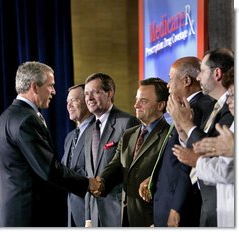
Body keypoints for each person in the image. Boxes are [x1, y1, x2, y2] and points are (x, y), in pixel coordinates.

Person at [0, 61, 99, 227]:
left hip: (16, 214)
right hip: (30, 216)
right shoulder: (26, 119)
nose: (53, 91)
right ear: (35, 87)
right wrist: (88, 183)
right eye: (50, 86)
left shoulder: (7, 116)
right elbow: (48, 169)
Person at [139, 56, 214, 227]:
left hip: (181, 208)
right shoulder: (183, 107)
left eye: (170, 79)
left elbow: (188, 163)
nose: (168, 85)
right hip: (168, 202)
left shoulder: (198, 108)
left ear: (186, 80)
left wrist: (176, 208)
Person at [168, 48, 234, 226]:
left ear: (217, 73)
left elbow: (215, 154)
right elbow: (194, 145)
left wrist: (188, 125)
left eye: (202, 72)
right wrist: (182, 129)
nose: (198, 78)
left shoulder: (230, 110)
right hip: (209, 203)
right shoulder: (215, 108)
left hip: (222, 204)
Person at [94, 77, 170, 226]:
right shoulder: (129, 134)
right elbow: (116, 165)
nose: (136, 105)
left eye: (143, 101)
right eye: (136, 100)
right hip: (126, 217)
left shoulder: (170, 136)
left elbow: (168, 176)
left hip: (152, 218)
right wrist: (101, 182)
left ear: (161, 105)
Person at [84, 72, 140, 227]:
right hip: (94, 214)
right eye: (86, 94)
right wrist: (88, 214)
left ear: (110, 93)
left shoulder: (127, 122)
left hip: (117, 210)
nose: (89, 98)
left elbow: (131, 168)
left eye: (95, 92)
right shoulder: (88, 130)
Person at [61, 84, 94, 227]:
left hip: (91, 211)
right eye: (67, 102)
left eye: (74, 100)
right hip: (72, 211)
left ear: (87, 101)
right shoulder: (70, 137)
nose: (69, 105)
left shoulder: (98, 131)